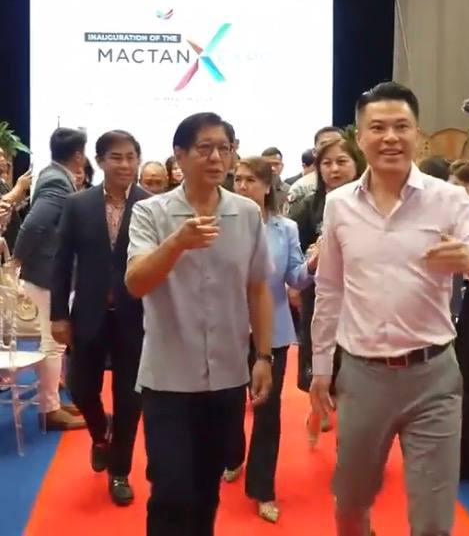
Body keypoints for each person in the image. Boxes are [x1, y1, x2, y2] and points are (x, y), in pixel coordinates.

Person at [309, 81, 469, 536]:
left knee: (434, 522)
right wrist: (321, 368)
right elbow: (330, 289)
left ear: (417, 134)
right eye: (378, 127)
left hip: (433, 377)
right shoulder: (340, 205)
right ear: (360, 137)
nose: (390, 137)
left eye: (401, 126)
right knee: (350, 506)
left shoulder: (448, 199)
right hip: (362, 376)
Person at [125, 112, 273, 536]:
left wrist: (263, 357)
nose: (216, 158)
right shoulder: (151, 212)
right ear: (180, 155)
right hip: (168, 377)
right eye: (204, 148)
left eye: (224, 149)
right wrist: (177, 243)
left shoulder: (246, 213)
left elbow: (258, 288)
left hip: (227, 374)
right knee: (171, 489)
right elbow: (136, 283)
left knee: (208, 487)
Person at [51, 130, 148, 505]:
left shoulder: (149, 204)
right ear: (100, 160)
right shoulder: (78, 204)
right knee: (80, 387)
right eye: (116, 157)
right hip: (88, 313)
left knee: (130, 399)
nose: (124, 165)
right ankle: (99, 433)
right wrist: (58, 315)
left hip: (135, 316)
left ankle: (120, 471)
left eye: (130, 157)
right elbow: (61, 262)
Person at [225, 156, 317, 522]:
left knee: (267, 411)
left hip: (273, 332)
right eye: (238, 179)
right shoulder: (220, 222)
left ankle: (263, 488)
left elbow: (295, 278)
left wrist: (312, 265)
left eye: (251, 180)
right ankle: (233, 456)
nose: (242, 186)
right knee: (229, 404)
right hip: (228, 329)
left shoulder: (285, 228)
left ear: (267, 186)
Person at [13, 128, 87, 431]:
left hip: (46, 272)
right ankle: (50, 410)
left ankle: (52, 400)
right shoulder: (57, 181)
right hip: (46, 274)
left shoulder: (52, 174)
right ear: (79, 155)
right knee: (53, 343)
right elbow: (34, 224)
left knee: (53, 342)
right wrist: (17, 258)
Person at [290, 138, 362, 445]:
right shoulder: (308, 205)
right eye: (327, 163)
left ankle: (353, 420)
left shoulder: (371, 203)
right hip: (320, 291)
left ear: (357, 164)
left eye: (342, 162)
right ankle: (318, 403)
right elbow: (295, 257)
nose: (334, 169)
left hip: (360, 296)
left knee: (353, 364)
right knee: (318, 352)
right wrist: (312, 258)